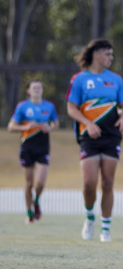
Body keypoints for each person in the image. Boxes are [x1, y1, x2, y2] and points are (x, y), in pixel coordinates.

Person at [66, 39, 123, 242]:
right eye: (107, 54)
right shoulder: (79, 79)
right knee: (89, 183)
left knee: (108, 183)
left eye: (112, 54)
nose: (111, 58)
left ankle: (106, 229)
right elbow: (71, 108)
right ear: (96, 54)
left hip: (111, 136)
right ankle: (90, 217)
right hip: (89, 137)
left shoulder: (116, 79)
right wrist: (88, 123)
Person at [8, 79, 59, 224]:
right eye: (34, 88)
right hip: (27, 147)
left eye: (39, 88)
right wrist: (26, 127)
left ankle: (36, 201)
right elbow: (11, 126)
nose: (37, 90)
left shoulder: (49, 106)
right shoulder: (22, 107)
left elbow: (56, 123)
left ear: (42, 90)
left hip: (43, 147)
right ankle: (29, 211)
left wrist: (50, 128)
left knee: (41, 182)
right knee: (29, 183)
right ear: (28, 91)